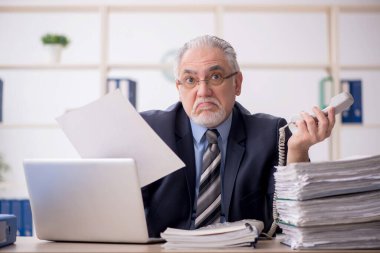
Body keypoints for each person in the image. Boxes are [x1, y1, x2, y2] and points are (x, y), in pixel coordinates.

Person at [141, 35, 335, 237]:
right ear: (179, 89)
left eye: (215, 76)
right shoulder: (151, 131)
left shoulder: (271, 135)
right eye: (190, 80)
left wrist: (298, 150)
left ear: (237, 83)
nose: (203, 91)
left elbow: (288, 221)